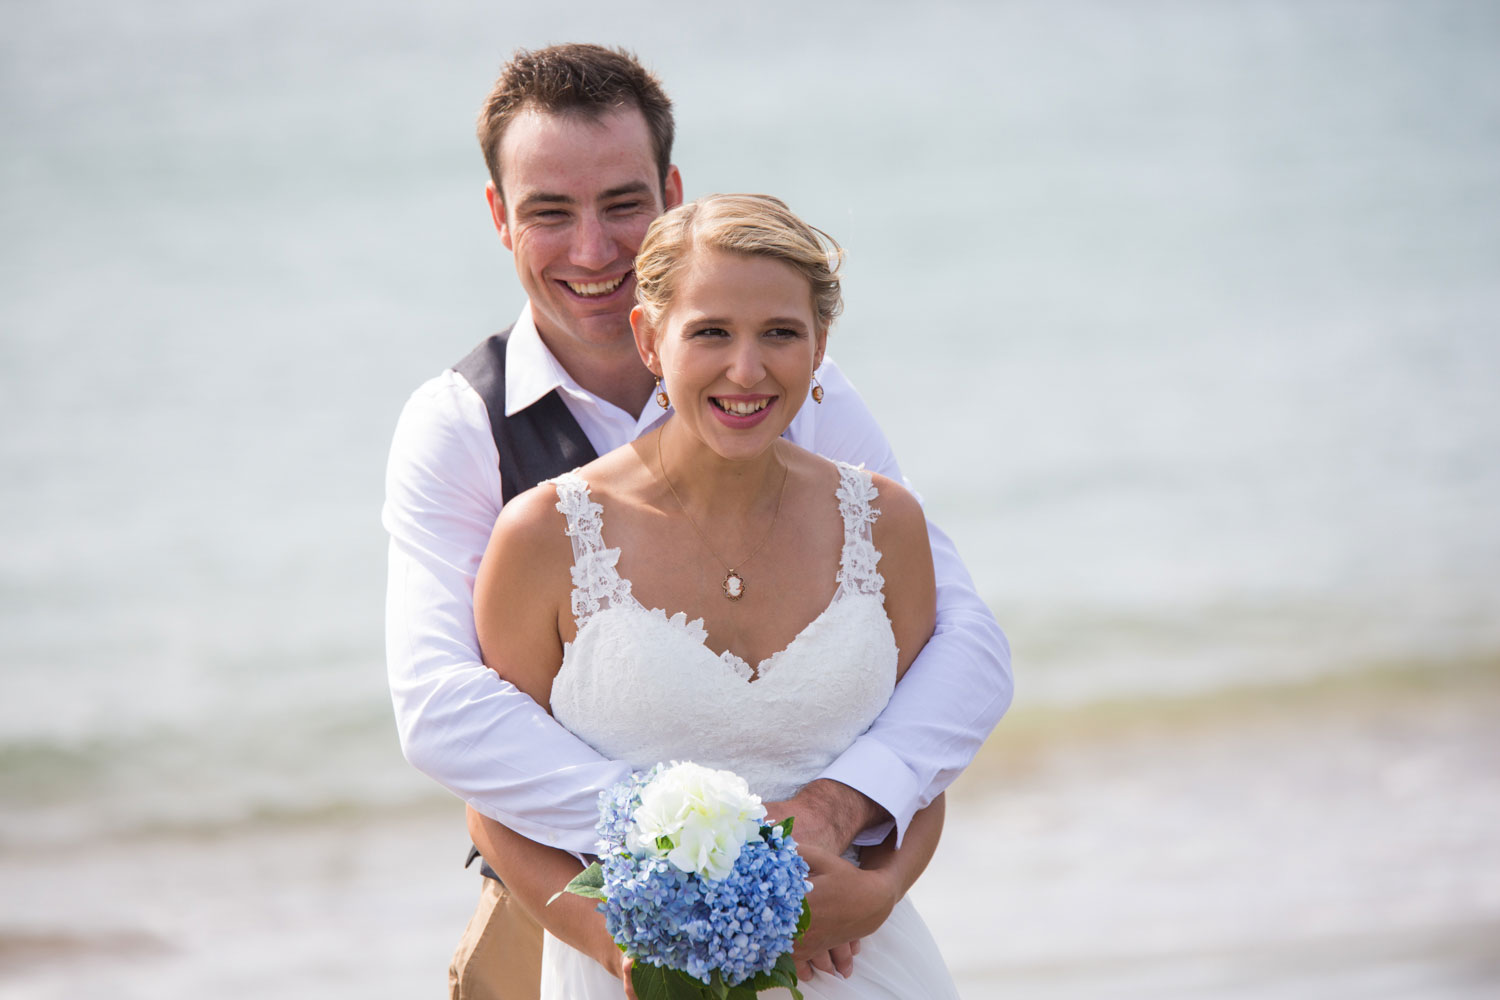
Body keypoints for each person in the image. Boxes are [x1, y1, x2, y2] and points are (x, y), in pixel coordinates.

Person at [381, 44, 1011, 999]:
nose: (594, 250)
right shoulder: (460, 427)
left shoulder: (804, 391)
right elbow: (442, 708)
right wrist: (698, 858)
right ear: (500, 216)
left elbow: (959, 643)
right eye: (550, 210)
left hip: (830, 922)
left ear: (672, 194)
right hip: (559, 903)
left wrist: (844, 820)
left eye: (623, 204)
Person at [467, 192, 962, 998]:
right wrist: (621, 951)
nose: (746, 369)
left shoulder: (885, 525)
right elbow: (491, 804)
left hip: (864, 972)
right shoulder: (544, 539)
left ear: (819, 345)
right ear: (650, 339)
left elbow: (919, 773)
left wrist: (878, 894)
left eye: (779, 333)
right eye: (710, 333)